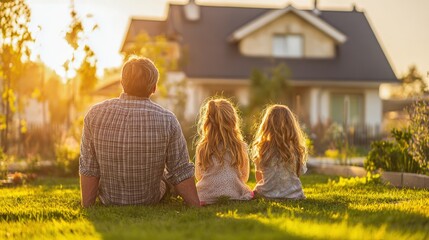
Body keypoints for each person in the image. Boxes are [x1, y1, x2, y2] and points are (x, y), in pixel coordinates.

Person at [79, 56, 200, 207]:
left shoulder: (94, 114)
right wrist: (196, 205)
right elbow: (180, 170)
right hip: (150, 199)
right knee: (167, 177)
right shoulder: (167, 120)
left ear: (122, 83)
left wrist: (87, 206)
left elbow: (89, 168)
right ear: (154, 87)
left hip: (109, 199)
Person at [195, 98, 253, 205]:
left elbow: (199, 176)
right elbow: (244, 177)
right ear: (233, 121)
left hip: (205, 195)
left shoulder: (202, 147)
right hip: (234, 194)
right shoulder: (240, 146)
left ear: (207, 121)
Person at [252, 105, 308, 199]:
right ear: (291, 125)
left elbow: (259, 177)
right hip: (294, 195)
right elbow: (299, 173)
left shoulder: (262, 148)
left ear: (267, 125)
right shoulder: (295, 149)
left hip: (266, 195)